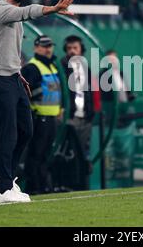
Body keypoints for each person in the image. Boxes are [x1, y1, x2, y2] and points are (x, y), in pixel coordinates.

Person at [0, 0, 73, 203]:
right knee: (9, 133)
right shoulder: (0, 9)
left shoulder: (15, 11)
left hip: (12, 77)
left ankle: (4, 179)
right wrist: (52, 8)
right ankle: (4, 190)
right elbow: (28, 12)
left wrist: (16, 71)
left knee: (26, 130)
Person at [21, 35, 62, 195]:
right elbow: (28, 92)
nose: (48, 49)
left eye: (50, 45)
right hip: (39, 117)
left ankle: (43, 185)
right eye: (44, 46)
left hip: (51, 117)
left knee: (44, 154)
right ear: (36, 47)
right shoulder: (32, 67)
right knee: (36, 154)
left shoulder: (51, 66)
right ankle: (34, 187)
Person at [61, 35, 95, 190]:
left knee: (83, 152)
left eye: (75, 48)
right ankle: (67, 183)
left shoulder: (85, 67)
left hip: (85, 117)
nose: (72, 51)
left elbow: (88, 92)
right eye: (69, 48)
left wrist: (91, 112)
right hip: (70, 117)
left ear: (81, 49)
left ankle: (82, 184)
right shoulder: (62, 66)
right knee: (69, 152)